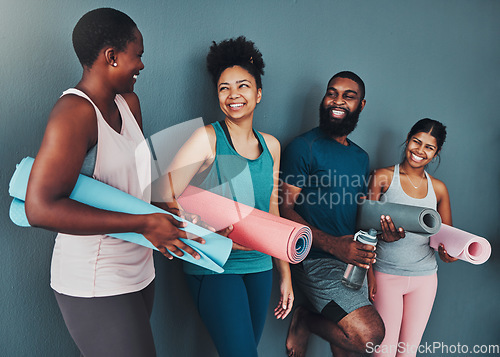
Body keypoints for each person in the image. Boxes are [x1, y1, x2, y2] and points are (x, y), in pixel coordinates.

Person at [24, 8, 203, 357]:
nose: (141, 64)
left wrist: (178, 218)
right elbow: (40, 208)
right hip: (95, 278)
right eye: (137, 55)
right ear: (111, 57)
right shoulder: (74, 113)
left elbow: (137, 186)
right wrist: (144, 224)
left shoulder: (128, 104)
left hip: (139, 270)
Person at [160, 36, 294, 357]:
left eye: (243, 86)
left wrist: (285, 274)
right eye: (224, 88)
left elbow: (271, 210)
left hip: (259, 266)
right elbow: (164, 196)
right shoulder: (206, 138)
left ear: (258, 94)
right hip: (216, 266)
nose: (233, 95)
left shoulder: (271, 146)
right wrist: (205, 231)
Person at [280, 71, 398, 357]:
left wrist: (376, 249)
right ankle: (305, 319)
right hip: (316, 261)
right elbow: (284, 210)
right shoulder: (303, 147)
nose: (338, 100)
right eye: (332, 92)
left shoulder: (360, 157)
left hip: (351, 263)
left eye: (349, 96)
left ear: (362, 104)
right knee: (369, 336)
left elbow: (357, 216)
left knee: (346, 348)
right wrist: (334, 246)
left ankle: (310, 319)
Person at [366, 118, 456, 357]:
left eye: (429, 147)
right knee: (382, 352)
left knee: (407, 353)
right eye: (417, 142)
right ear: (407, 140)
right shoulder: (382, 177)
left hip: (425, 280)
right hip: (386, 275)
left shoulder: (439, 189)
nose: (420, 150)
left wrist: (449, 255)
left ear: (436, 154)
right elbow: (365, 231)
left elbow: (447, 238)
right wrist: (369, 274)